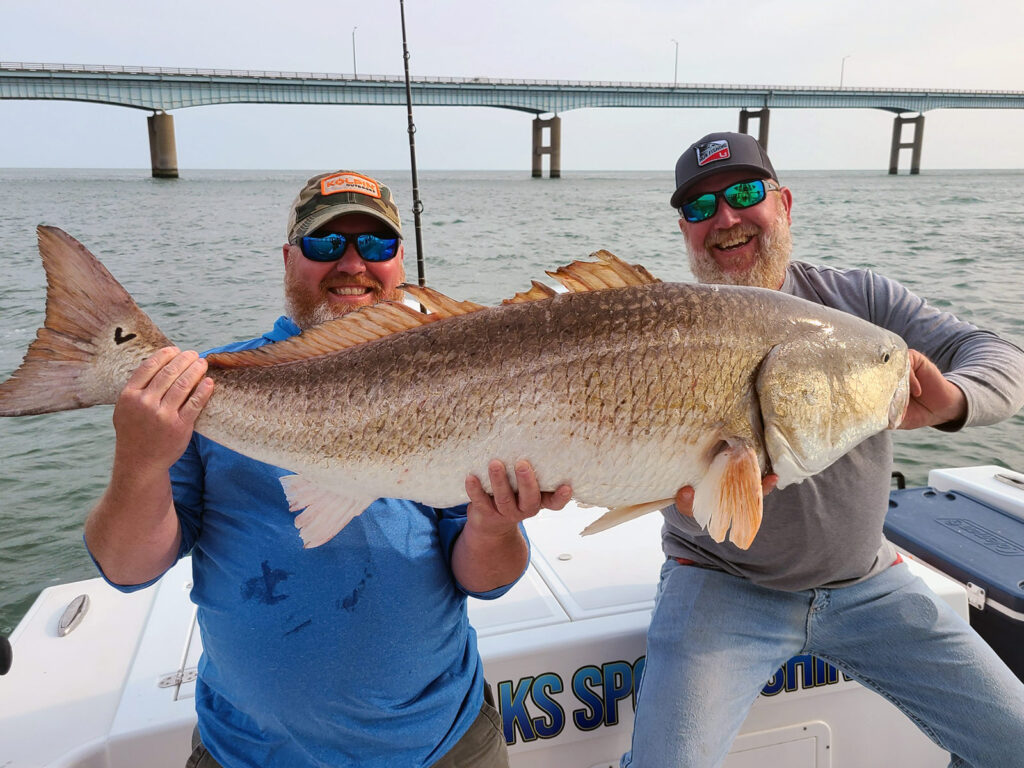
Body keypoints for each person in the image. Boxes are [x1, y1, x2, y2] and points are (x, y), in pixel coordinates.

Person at [83, 170, 572, 768]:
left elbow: (488, 581)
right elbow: (128, 569)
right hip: (246, 754)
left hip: (443, 746)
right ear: (289, 258)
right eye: (324, 244)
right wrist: (138, 461)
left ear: (398, 262)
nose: (352, 263)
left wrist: (494, 526)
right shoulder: (209, 387)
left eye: (375, 245)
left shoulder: (464, 379)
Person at [622, 133, 1024, 768]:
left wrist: (954, 403)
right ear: (684, 230)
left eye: (745, 194)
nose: (724, 219)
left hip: (870, 582)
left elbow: (1003, 356)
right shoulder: (663, 327)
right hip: (721, 584)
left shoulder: (864, 305)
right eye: (700, 208)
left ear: (783, 203)